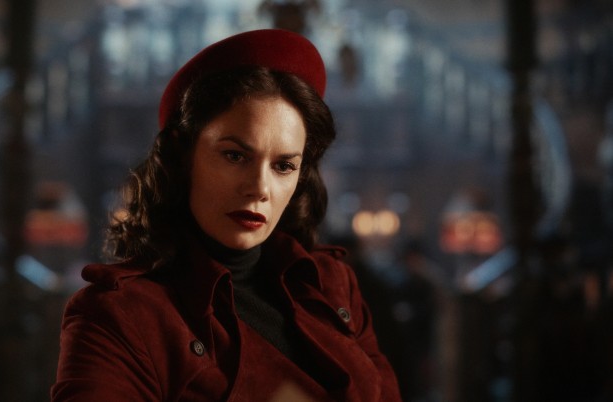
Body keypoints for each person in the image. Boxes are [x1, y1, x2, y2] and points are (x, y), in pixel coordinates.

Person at [51, 29, 401, 402]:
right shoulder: (118, 314)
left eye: (283, 166)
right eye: (235, 156)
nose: (260, 187)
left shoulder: (332, 284)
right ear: (183, 157)